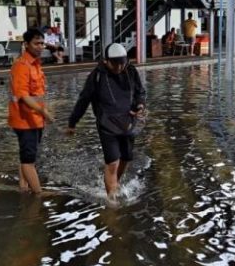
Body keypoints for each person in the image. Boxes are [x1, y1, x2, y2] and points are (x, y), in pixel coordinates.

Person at [66, 43, 146, 204]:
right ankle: (111, 200)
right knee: (112, 162)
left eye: (122, 63)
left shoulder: (130, 71)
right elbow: (84, 100)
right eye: (115, 63)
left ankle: (115, 182)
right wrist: (73, 122)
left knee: (126, 158)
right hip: (106, 124)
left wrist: (140, 105)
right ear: (105, 61)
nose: (119, 67)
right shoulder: (96, 76)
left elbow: (140, 92)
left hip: (128, 123)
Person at [9, 28, 53, 194]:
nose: (40, 46)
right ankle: (38, 194)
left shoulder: (36, 65)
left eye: (42, 43)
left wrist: (44, 111)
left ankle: (23, 186)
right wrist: (45, 113)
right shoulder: (22, 65)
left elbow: (38, 94)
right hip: (24, 120)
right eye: (36, 43)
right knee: (29, 160)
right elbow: (23, 96)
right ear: (26, 44)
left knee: (27, 156)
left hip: (35, 119)